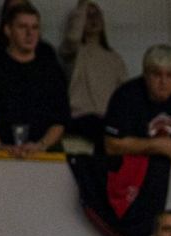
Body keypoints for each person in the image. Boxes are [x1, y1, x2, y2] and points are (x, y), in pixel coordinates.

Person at [0, 2, 67, 155]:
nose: (30, 33)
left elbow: (60, 118)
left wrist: (41, 146)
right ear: (8, 30)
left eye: (35, 27)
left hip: (43, 155)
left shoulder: (50, 68)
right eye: (22, 27)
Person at [102, 44, 171, 157]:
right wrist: (155, 145)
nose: (163, 81)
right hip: (131, 164)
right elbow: (111, 146)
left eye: (170, 75)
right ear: (145, 74)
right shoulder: (125, 95)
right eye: (157, 74)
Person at [60, 0, 126, 144]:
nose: (93, 19)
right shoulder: (75, 52)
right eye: (88, 15)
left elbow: (124, 94)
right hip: (80, 118)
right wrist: (82, 6)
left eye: (97, 14)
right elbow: (73, 38)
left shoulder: (114, 58)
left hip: (106, 120)